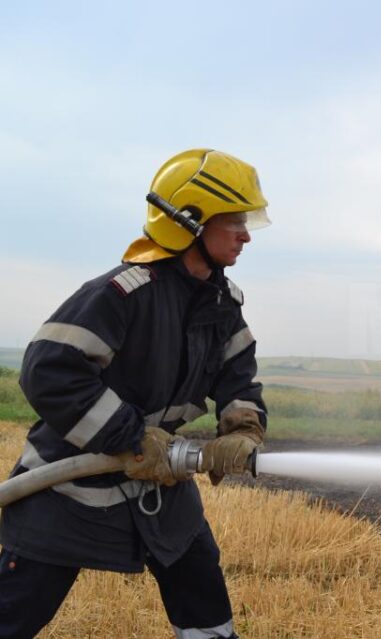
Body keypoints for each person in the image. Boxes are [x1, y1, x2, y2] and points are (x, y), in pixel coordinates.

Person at [0, 149, 270, 639]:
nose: (246, 235)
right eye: (233, 221)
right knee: (16, 611)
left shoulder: (220, 302)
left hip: (160, 485)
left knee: (204, 598)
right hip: (68, 484)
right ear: (189, 222)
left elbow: (238, 374)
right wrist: (131, 437)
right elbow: (48, 370)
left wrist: (243, 427)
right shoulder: (122, 293)